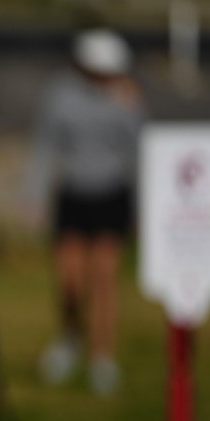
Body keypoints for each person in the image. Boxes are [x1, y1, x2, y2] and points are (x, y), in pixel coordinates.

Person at [26, 28, 142, 396]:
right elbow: (46, 146)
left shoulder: (126, 98)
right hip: (73, 196)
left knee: (105, 280)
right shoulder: (60, 95)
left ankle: (103, 358)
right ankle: (70, 341)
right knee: (70, 281)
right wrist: (34, 196)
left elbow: (137, 152)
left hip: (111, 196)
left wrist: (140, 205)